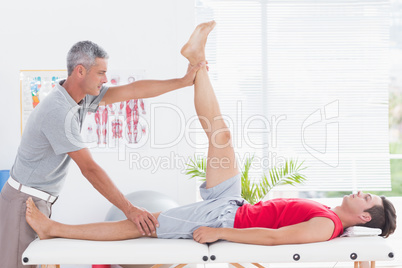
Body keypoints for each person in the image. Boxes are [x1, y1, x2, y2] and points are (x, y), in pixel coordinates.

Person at [25, 21, 396, 247]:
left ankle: (54, 229)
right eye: (101, 73)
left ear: (364, 218)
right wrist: (185, 79)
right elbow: (135, 91)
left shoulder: (326, 224)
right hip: (235, 203)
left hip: (224, 220)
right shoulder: (327, 212)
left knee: (142, 226)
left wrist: (220, 233)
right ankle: (197, 62)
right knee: (221, 133)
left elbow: (273, 238)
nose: (359, 192)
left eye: (366, 198)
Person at [0, 38, 205, 268]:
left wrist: (183, 82)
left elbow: (133, 90)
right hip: (22, 202)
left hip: (38, 200)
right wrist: (130, 209)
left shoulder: (80, 98)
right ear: (80, 71)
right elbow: (90, 169)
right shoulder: (58, 112)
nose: (105, 79)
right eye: (101, 72)